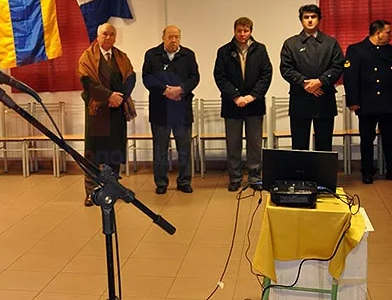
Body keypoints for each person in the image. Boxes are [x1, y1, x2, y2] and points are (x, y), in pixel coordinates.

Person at [77, 23, 136, 207]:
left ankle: (113, 188)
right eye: (105, 34)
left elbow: (130, 78)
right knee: (94, 155)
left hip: (117, 111)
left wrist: (120, 97)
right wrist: (108, 96)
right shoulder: (87, 57)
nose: (108, 37)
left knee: (115, 153)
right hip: (98, 112)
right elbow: (87, 82)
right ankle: (91, 192)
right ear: (98, 36)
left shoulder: (121, 57)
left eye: (112, 34)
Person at [213, 17, 272, 192]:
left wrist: (252, 96)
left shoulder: (260, 50)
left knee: (255, 143)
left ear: (251, 31)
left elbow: (266, 75)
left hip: (254, 104)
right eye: (239, 31)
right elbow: (220, 77)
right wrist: (236, 96)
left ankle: (255, 177)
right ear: (234, 31)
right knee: (234, 143)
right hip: (233, 105)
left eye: (246, 31)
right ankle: (235, 177)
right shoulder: (224, 51)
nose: (242, 34)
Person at [142, 25, 200, 194]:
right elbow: (147, 78)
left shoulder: (188, 55)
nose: (173, 40)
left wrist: (180, 89)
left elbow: (195, 77)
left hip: (182, 109)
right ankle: (161, 182)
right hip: (160, 110)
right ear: (163, 38)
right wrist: (165, 91)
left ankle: (184, 181)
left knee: (184, 148)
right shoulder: (152, 55)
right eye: (170, 37)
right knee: (160, 149)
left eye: (176, 37)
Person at [280, 4, 344, 151]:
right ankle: (300, 174)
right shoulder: (291, 43)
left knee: (324, 143)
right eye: (306, 17)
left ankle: (322, 174)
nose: (310, 20)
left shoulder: (331, 43)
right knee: (299, 144)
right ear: (301, 20)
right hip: (300, 98)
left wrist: (320, 81)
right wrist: (305, 84)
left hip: (324, 98)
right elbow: (286, 69)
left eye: (313, 17)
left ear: (319, 19)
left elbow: (338, 66)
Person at [343, 20, 392, 184]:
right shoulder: (356, 50)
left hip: (388, 103)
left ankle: (390, 169)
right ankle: (367, 171)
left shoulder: (389, 51)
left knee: (390, 138)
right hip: (366, 103)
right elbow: (350, 77)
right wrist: (353, 101)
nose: (389, 35)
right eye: (388, 32)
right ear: (378, 33)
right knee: (366, 138)